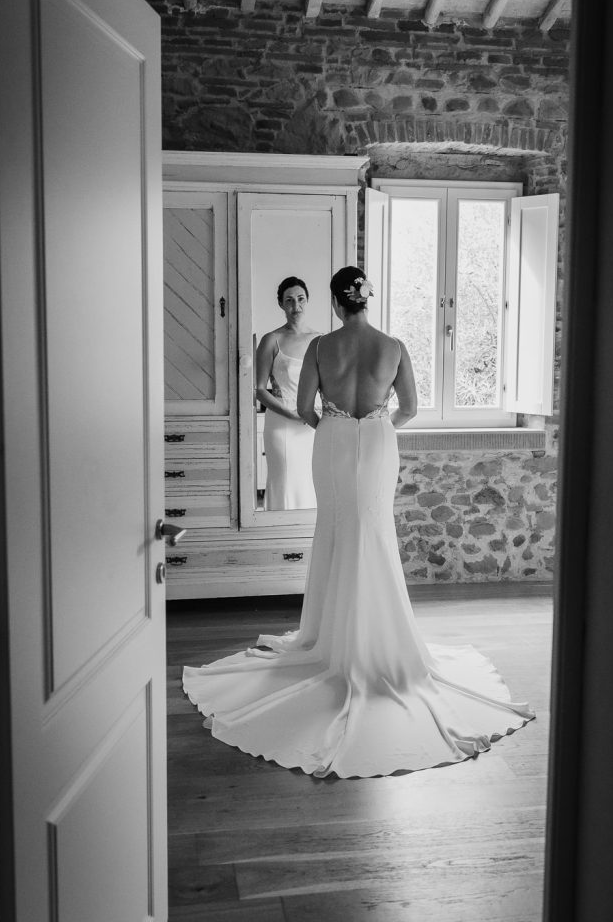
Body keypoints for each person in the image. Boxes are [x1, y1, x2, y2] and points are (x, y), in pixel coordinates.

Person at [183, 267, 535, 778]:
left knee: (334, 529)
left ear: (334, 301)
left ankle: (328, 637)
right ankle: (379, 639)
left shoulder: (323, 346)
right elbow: (410, 408)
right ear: (367, 298)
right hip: (378, 443)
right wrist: (374, 427)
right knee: (374, 531)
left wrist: (338, 428)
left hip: (332, 442)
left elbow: (304, 407)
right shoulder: (393, 345)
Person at [255, 276, 319, 510]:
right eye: (289, 300)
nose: (296, 306)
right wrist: (291, 414)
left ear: (307, 301)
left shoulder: (319, 340)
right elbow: (260, 390)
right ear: (281, 304)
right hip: (282, 422)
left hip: (312, 421)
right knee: (285, 479)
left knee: (311, 480)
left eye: (301, 299)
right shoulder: (271, 340)